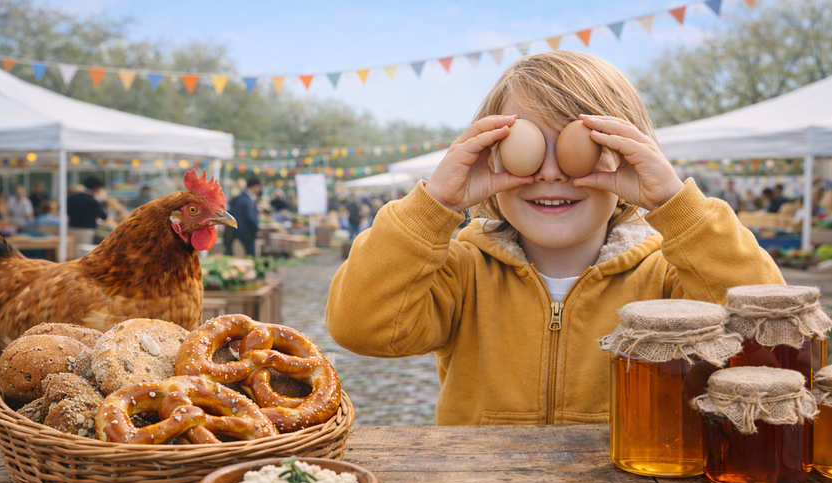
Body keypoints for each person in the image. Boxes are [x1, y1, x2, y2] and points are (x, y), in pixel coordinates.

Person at [325, 51, 783, 426]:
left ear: (625, 154)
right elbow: (360, 326)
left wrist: (676, 206)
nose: (549, 171)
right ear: (490, 155)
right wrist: (435, 204)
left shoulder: (668, 277)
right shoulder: (463, 271)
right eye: (523, 147)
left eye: (576, 145)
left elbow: (768, 333)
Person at [67, 176, 108, 256]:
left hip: (71, 229)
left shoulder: (72, 198)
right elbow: (103, 216)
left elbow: (62, 209)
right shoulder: (93, 201)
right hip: (86, 230)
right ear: (97, 188)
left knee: (72, 254)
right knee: (83, 256)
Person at [226, 177, 261, 256]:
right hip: (246, 230)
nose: (259, 189)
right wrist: (256, 230)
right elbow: (250, 217)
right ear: (255, 186)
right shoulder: (248, 199)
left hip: (233, 228)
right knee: (251, 253)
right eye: (259, 187)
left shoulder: (239, 196)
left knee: (228, 252)